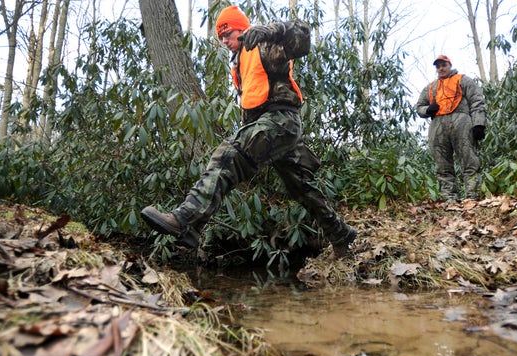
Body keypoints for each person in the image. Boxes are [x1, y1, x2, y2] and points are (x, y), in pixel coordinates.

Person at [140, 5, 356, 259]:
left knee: (226, 157)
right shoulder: (239, 62)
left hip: (281, 121)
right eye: (220, 37)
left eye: (228, 33)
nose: (224, 41)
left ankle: (184, 220)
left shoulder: (266, 45)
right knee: (302, 189)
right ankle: (341, 236)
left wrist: (270, 30)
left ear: (242, 30)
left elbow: (302, 37)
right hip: (273, 126)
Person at [415, 55, 487, 202]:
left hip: (461, 121)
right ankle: (450, 199)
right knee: (442, 164)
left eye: (444, 65)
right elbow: (419, 107)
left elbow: (477, 101)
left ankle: (472, 197)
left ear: (449, 65)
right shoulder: (431, 87)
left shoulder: (463, 80)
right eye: (438, 66)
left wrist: (478, 124)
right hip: (438, 125)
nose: (441, 68)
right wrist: (429, 110)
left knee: (469, 160)